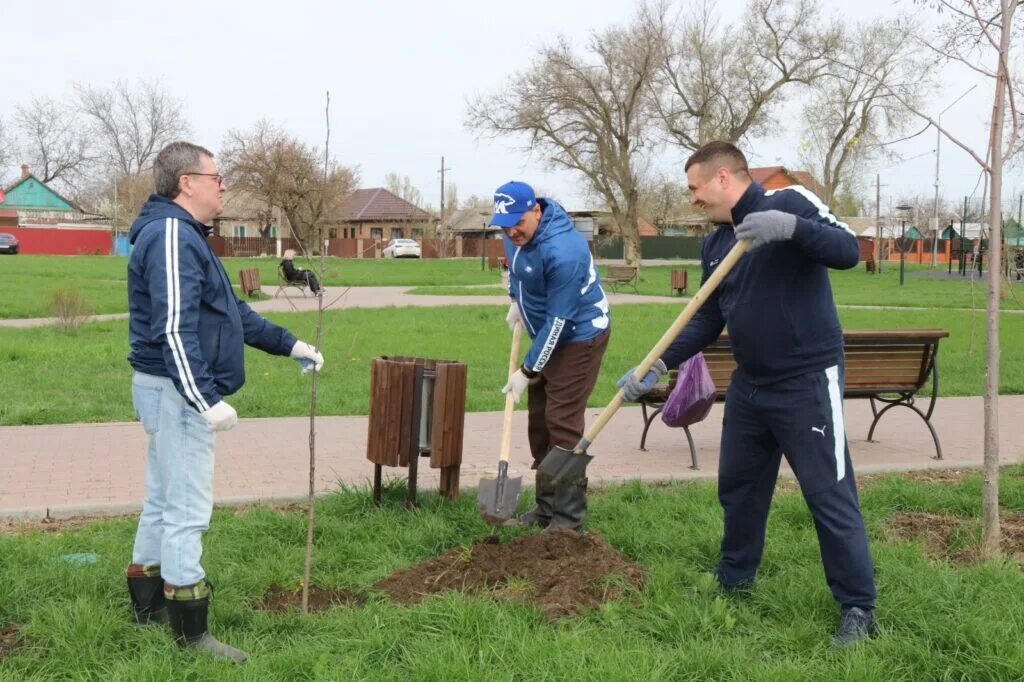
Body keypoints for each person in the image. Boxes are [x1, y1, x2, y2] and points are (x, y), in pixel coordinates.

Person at [616, 141, 877, 646]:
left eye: (694, 188)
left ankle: (858, 607)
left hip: (806, 382)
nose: (692, 199)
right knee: (739, 489)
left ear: (722, 179)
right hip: (750, 386)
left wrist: (792, 231)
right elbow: (711, 317)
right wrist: (658, 365)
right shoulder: (716, 243)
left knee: (829, 495)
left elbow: (851, 251)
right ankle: (734, 580)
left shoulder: (790, 203)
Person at [125, 141, 325, 663]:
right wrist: (205, 400)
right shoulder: (172, 234)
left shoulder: (187, 235)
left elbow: (232, 312)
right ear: (187, 182)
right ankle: (191, 631)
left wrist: (291, 344)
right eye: (217, 177)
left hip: (167, 390)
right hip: (176, 393)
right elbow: (173, 328)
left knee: (162, 499)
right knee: (186, 510)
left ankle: (147, 605)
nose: (223, 186)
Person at [491, 180, 610, 530]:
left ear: (537, 210)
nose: (511, 230)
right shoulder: (513, 234)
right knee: (540, 422)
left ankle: (568, 521)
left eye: (519, 221)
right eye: (504, 223)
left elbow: (560, 323)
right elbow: (518, 272)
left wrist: (527, 371)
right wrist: (516, 300)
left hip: (579, 337)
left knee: (562, 423)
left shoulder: (565, 250)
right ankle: (545, 511)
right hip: (545, 331)